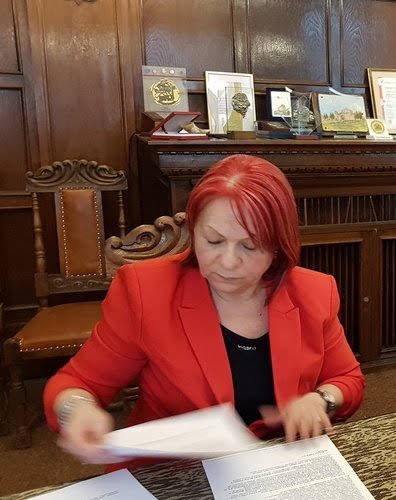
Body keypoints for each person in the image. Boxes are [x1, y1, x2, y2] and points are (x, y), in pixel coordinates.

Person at [44, 154, 365, 466]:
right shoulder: (146, 292)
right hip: (173, 473)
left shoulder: (312, 292)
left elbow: (347, 379)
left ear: (278, 247)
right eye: (213, 241)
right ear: (194, 230)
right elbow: (76, 383)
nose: (228, 262)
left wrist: (321, 399)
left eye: (249, 246)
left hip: (275, 468)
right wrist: (77, 409)